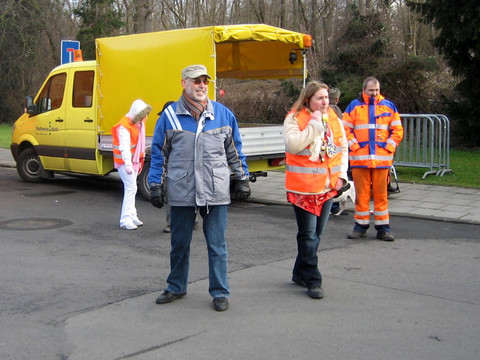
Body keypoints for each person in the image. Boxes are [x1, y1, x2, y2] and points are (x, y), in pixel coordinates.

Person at [148, 64, 251, 312]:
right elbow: (158, 154)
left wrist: (242, 178)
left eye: (205, 81)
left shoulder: (224, 115)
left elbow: (234, 150)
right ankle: (176, 286)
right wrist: (155, 184)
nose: (201, 85)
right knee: (179, 244)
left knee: (217, 245)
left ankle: (220, 292)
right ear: (183, 83)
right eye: (196, 81)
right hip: (181, 190)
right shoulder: (169, 116)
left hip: (215, 191)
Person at [284, 81, 349, 299]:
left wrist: (341, 176)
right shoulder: (294, 118)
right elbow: (293, 145)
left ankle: (299, 272)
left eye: (327, 98)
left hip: (327, 186)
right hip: (303, 189)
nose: (325, 102)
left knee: (317, 234)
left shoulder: (334, 119)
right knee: (308, 235)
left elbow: (342, 148)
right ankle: (313, 279)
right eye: (320, 98)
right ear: (308, 100)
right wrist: (313, 126)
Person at [342, 76, 404, 241]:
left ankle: (383, 228)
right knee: (361, 195)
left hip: (381, 161)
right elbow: (345, 129)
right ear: (364, 90)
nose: (374, 93)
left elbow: (397, 130)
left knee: (381, 195)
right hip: (360, 159)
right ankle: (360, 226)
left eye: (377, 90)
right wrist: (355, 146)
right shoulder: (354, 106)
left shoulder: (389, 106)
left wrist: (389, 147)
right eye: (371, 90)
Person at [112, 99, 152, 230]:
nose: (144, 118)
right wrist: (128, 164)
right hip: (126, 161)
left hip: (133, 160)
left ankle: (132, 215)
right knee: (131, 188)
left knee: (132, 188)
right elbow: (124, 147)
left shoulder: (137, 122)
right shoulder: (124, 126)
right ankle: (125, 219)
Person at [328, 87, 347, 216]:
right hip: (334, 151)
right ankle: (333, 206)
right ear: (336, 99)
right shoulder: (335, 111)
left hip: (332, 149)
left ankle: (333, 206)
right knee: (333, 181)